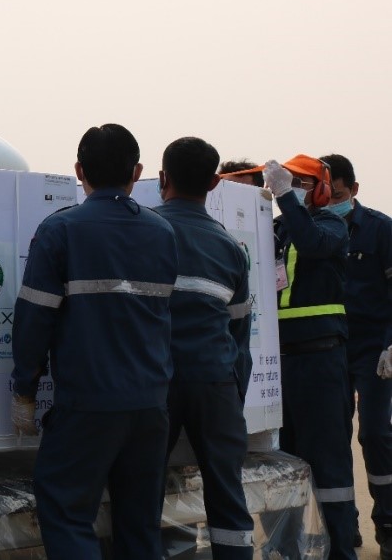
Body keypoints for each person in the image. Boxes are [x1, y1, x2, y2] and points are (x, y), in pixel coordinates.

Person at [10, 123, 178, 558]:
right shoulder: (161, 232)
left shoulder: (60, 230)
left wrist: (24, 389)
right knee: (140, 526)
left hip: (89, 406)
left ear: (79, 170)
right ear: (136, 171)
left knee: (66, 511)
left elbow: (33, 320)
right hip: (150, 407)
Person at [156, 137, 254, 558]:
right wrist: (232, 397)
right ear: (214, 184)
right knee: (227, 495)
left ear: (162, 178)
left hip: (154, 380)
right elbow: (240, 335)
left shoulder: (146, 231)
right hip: (215, 381)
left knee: (143, 487)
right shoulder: (231, 248)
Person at [260, 155, 358, 560]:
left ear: (321, 189)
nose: (295, 188)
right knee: (278, 464)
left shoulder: (331, 225)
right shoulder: (277, 228)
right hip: (278, 364)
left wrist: (286, 196)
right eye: (290, 181)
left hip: (321, 360)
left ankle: (341, 551)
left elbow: (313, 244)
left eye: (302, 183)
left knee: (329, 463)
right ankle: (286, 549)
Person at [321, 154, 392, 558]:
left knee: (375, 434)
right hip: (331, 348)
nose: (333, 203)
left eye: (340, 195)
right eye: (327, 195)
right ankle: (344, 526)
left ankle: (388, 523)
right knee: (332, 437)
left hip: (374, 350)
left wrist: (390, 345)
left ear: (354, 190)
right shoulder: (313, 230)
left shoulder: (381, 230)